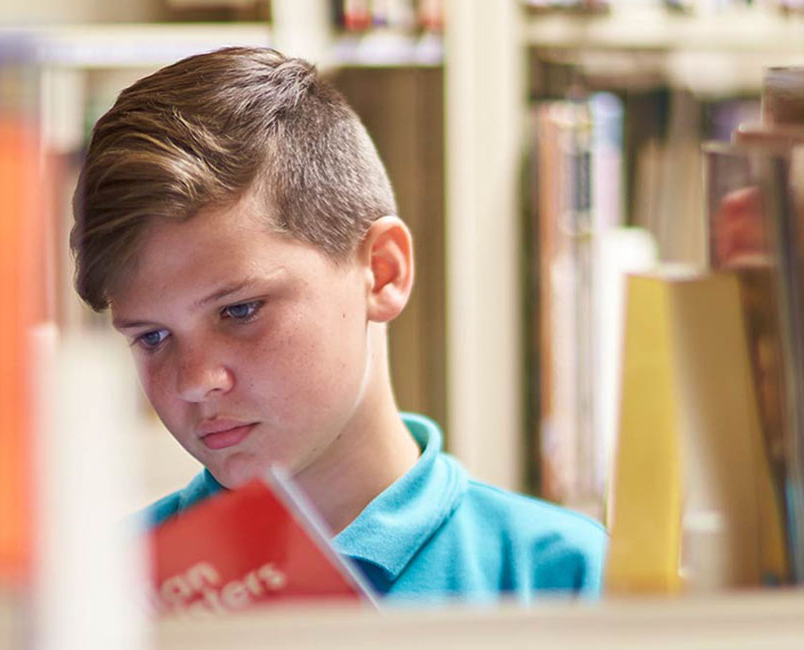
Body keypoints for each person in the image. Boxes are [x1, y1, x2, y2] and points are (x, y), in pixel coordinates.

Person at [70, 46, 606, 602]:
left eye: (240, 311)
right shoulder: (99, 593)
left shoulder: (568, 578)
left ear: (382, 271)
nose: (194, 380)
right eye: (152, 337)